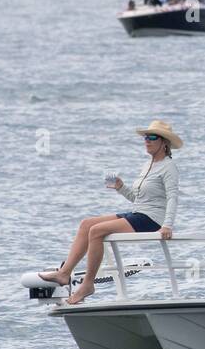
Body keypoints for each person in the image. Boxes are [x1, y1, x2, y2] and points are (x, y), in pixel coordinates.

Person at [38, 120, 182, 305]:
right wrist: (121, 187)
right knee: (86, 224)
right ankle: (64, 273)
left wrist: (167, 225)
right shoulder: (148, 165)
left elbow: (172, 197)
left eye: (152, 137)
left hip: (152, 220)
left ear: (164, 142)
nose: (147, 140)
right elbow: (138, 200)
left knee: (96, 231)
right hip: (138, 213)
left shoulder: (169, 167)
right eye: (145, 137)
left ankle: (88, 285)